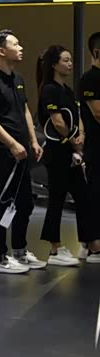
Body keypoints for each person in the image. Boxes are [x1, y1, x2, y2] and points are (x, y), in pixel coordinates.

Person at [0, 30, 46, 274]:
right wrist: (12, 144)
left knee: (25, 204)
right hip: (2, 155)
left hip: (22, 154)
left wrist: (32, 140)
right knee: (2, 205)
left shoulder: (18, 78)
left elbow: (25, 110)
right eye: (15, 44)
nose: (21, 47)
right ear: (1, 51)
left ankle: (20, 251)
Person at [36, 45, 91, 266]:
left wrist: (81, 137)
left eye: (70, 60)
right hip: (58, 154)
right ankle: (55, 248)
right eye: (65, 60)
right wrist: (72, 139)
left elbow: (77, 116)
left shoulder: (67, 90)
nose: (70, 64)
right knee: (56, 200)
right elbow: (58, 122)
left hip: (72, 153)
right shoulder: (49, 90)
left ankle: (89, 243)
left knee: (83, 197)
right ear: (54, 64)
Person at [77, 32, 100, 263]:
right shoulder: (91, 79)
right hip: (96, 147)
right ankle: (94, 246)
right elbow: (98, 112)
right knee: (95, 194)